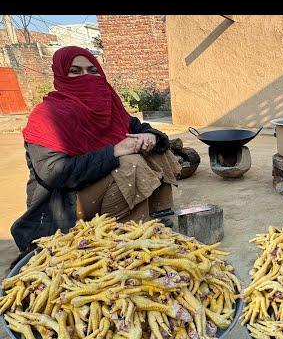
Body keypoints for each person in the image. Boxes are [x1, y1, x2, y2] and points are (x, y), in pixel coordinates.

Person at [10, 46, 181, 264]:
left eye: (93, 71)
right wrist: (114, 151)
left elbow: (140, 128)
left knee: (157, 151)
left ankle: (157, 222)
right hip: (64, 204)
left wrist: (150, 138)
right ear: (61, 75)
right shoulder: (47, 116)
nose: (86, 78)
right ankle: (122, 242)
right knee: (130, 163)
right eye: (75, 71)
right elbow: (54, 173)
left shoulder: (110, 107)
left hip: (95, 187)